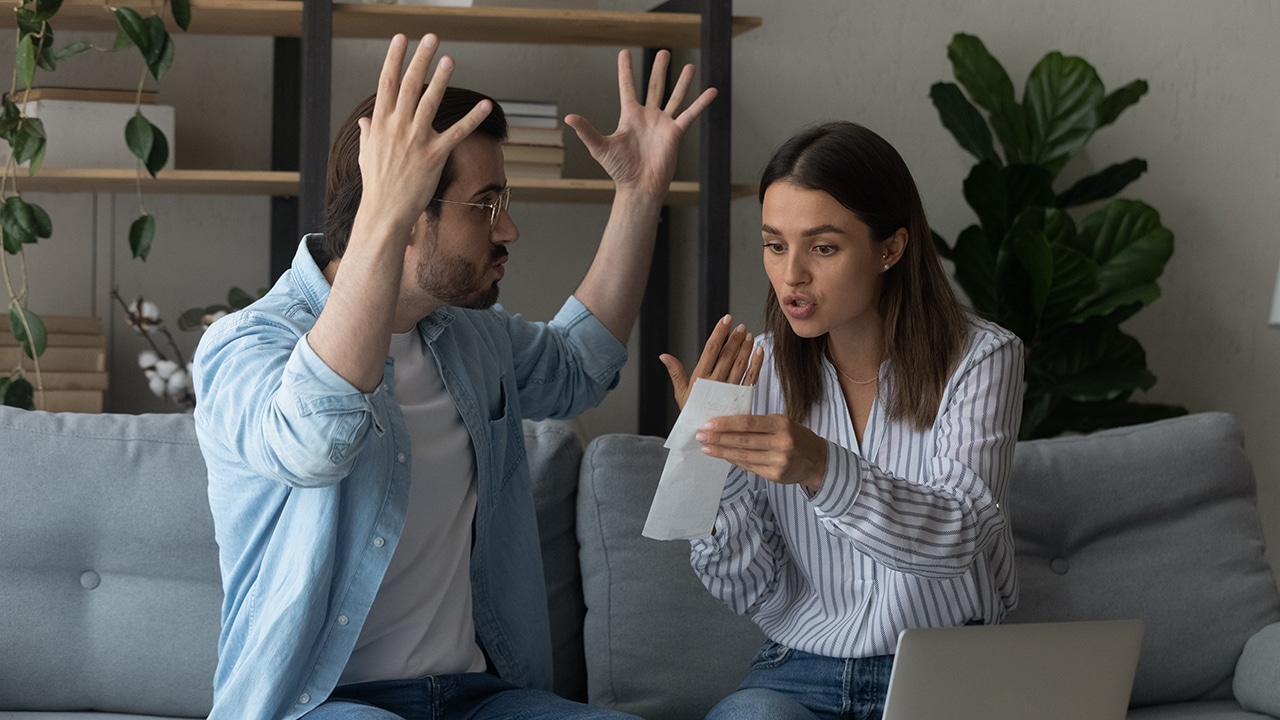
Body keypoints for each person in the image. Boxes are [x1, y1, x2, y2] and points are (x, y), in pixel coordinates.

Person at [192, 33, 715, 720]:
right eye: (487, 205)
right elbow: (313, 444)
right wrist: (384, 211)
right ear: (406, 213)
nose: (509, 231)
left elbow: (577, 367)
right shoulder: (247, 344)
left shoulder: (468, 335)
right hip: (320, 705)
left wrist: (640, 193)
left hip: (479, 698)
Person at [659, 121, 1025, 720]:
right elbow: (748, 588)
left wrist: (821, 467)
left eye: (822, 247)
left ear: (891, 248)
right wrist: (707, 459)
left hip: (946, 671)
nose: (791, 276)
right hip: (797, 671)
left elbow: (960, 533)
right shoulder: (756, 374)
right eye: (775, 245)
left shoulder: (984, 358)